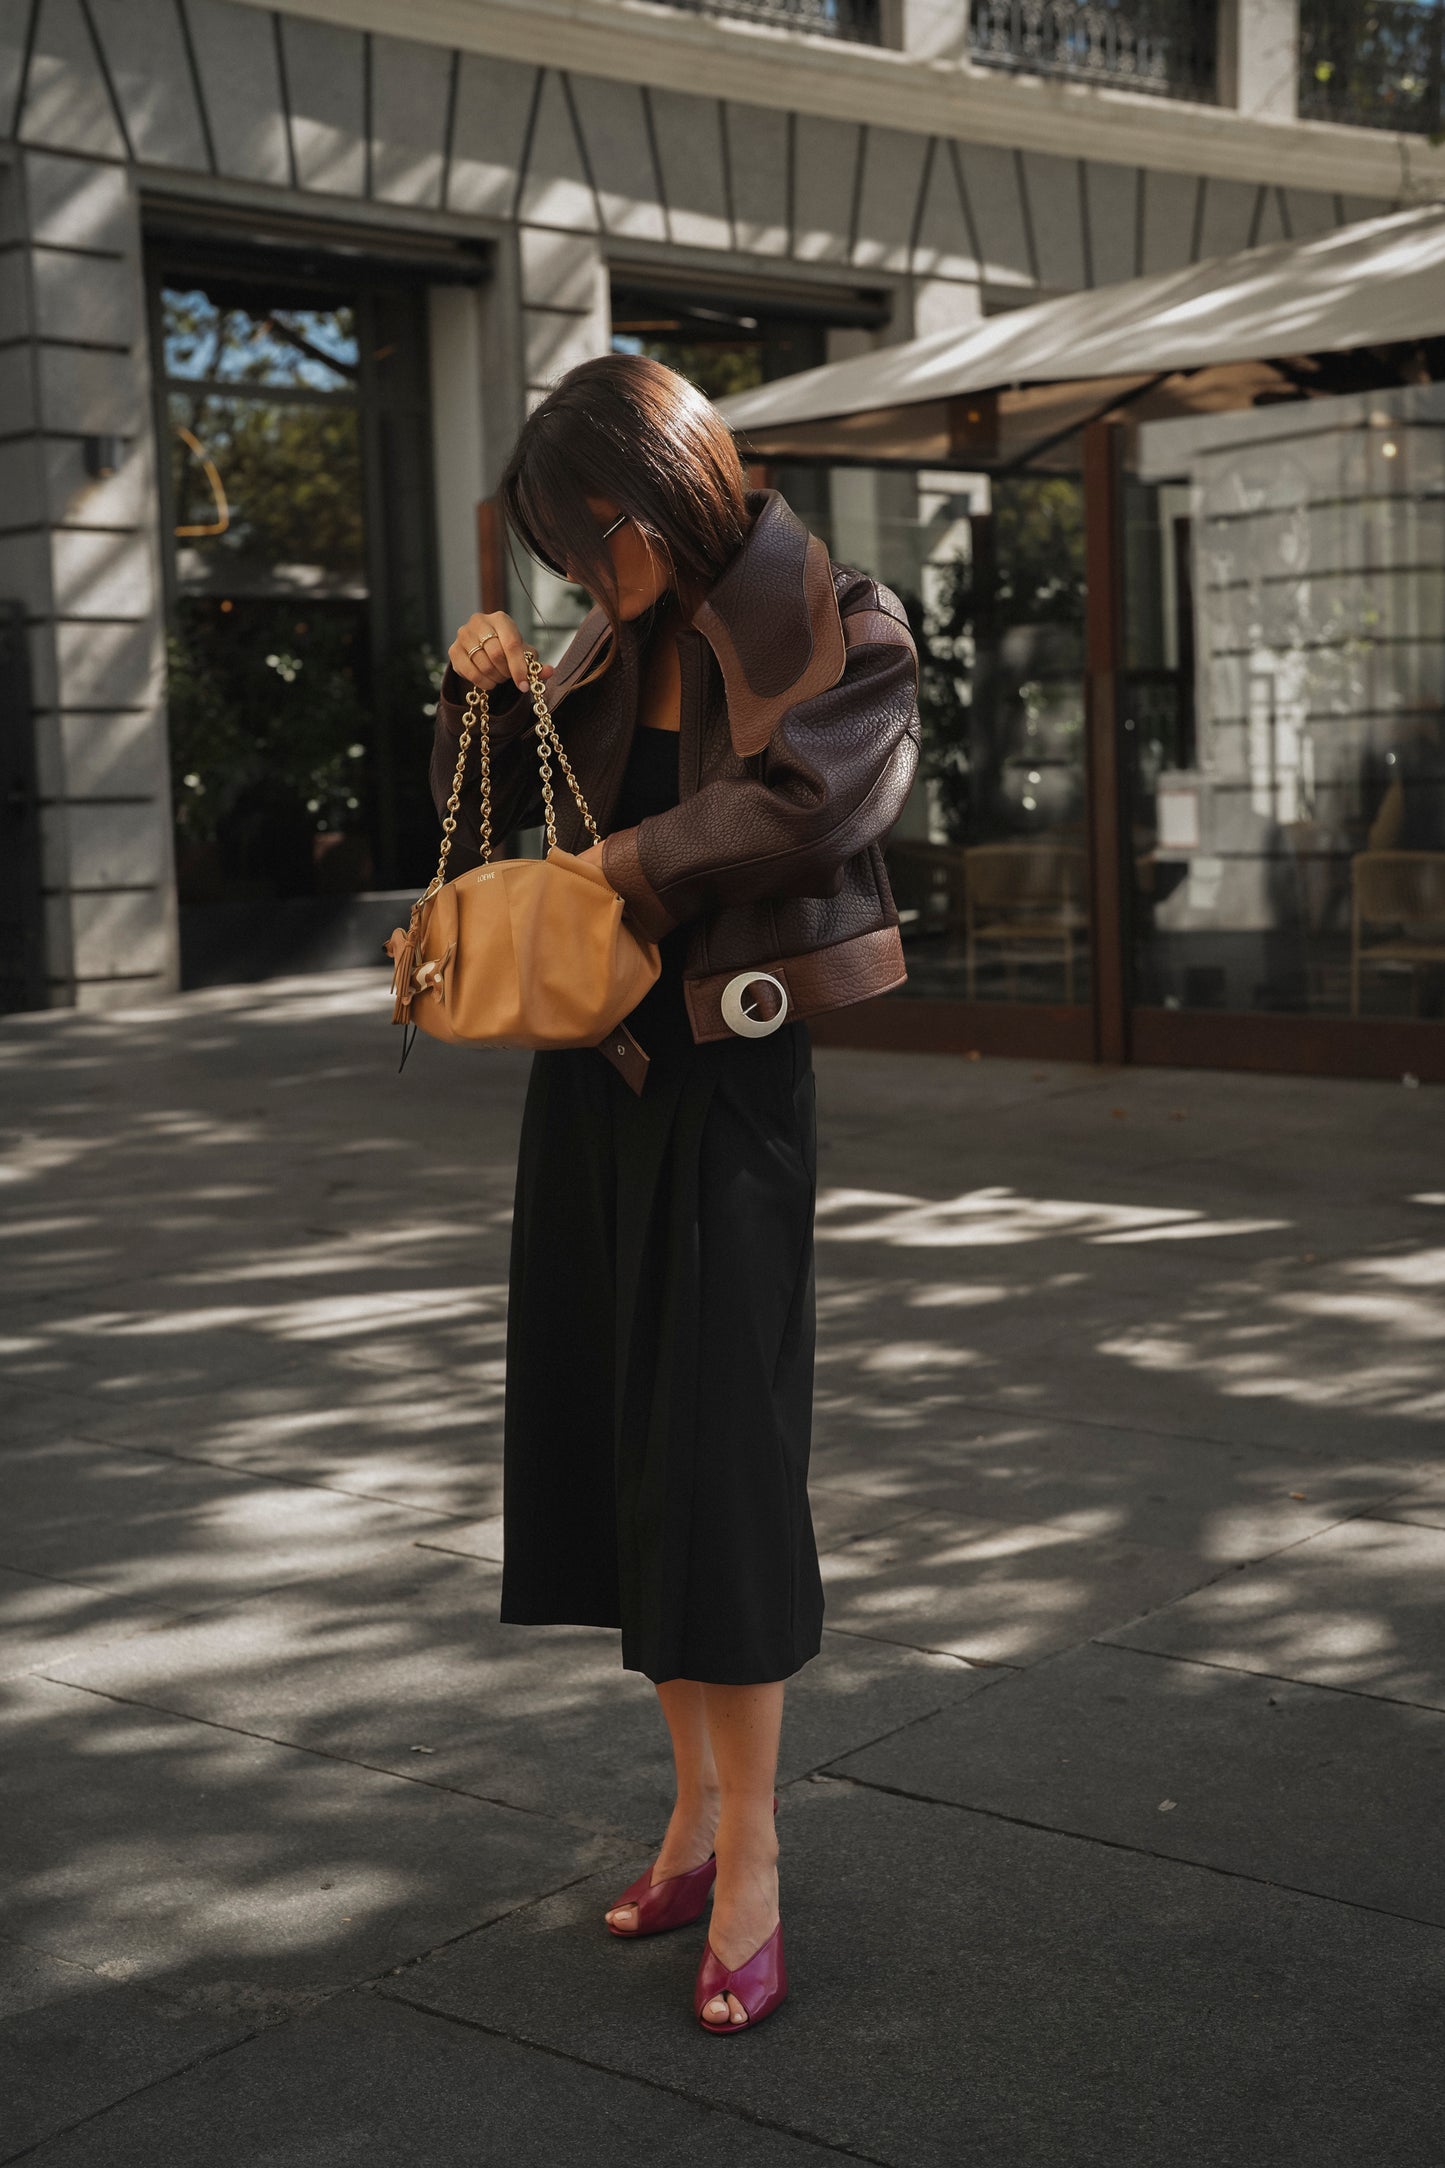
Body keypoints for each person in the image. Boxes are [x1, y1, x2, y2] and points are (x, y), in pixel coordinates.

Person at [431, 353, 919, 2033]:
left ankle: (757, 1847)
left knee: (718, 1462)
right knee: (623, 1450)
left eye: (594, 538)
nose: (580, 571)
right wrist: (481, 694)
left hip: (727, 1083)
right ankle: (693, 1822)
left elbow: (807, 806)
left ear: (659, 495)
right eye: (563, 551)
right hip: (589, 1084)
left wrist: (617, 868)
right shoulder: (601, 643)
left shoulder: (841, 623)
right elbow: (492, 822)